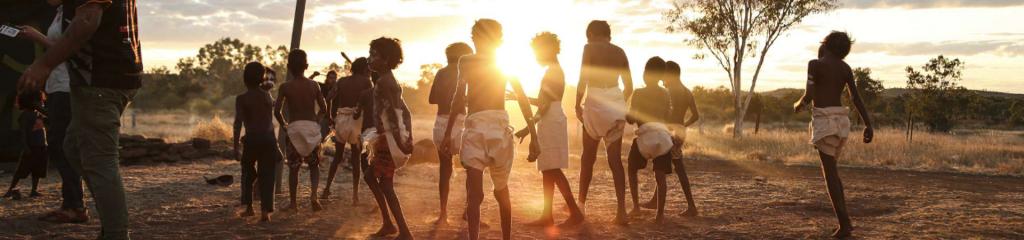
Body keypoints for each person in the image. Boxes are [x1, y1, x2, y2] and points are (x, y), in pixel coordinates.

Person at [17, 0, 143, 238]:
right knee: (73, 147)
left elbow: (87, 20)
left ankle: (115, 234)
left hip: (100, 80)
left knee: (99, 160)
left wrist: (44, 64)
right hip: (105, 78)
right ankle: (110, 222)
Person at [439, 19, 540, 240]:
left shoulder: (469, 61)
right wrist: (534, 135)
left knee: (479, 194)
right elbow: (522, 99)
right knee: (493, 192)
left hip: (482, 128)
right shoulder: (498, 62)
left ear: (476, 39)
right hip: (490, 128)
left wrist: (448, 134)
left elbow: (457, 100)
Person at [793, 31, 874, 238]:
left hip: (825, 121)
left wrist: (798, 104)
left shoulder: (815, 64)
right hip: (842, 123)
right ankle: (845, 221)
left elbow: (809, 95)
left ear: (825, 44)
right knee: (833, 172)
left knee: (829, 175)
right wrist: (868, 125)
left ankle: (845, 224)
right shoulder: (845, 68)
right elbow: (855, 98)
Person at [14, 0, 88, 223]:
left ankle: (75, 206)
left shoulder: (75, 11)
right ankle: (72, 203)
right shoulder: (60, 12)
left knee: (61, 145)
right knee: (60, 145)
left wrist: (37, 37)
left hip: (68, 86)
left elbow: (71, 49)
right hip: (57, 84)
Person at [518, 32, 585, 228]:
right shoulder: (554, 70)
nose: (535, 56)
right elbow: (544, 102)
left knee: (552, 169)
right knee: (548, 169)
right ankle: (547, 216)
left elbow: (545, 104)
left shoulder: (553, 72)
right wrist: (520, 100)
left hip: (551, 119)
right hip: (551, 118)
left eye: (537, 52)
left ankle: (574, 212)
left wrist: (528, 127)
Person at [574, 20, 633, 225]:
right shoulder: (620, 51)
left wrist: (577, 104)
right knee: (615, 160)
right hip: (615, 102)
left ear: (591, 33)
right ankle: (621, 212)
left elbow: (583, 79)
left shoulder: (589, 48)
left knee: (587, 157)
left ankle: (580, 206)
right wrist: (617, 104)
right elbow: (629, 86)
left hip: (595, 100)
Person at [362, 37, 415, 240]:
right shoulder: (386, 80)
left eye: (373, 55)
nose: (369, 59)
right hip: (387, 137)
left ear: (385, 59)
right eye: (370, 54)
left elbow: (397, 112)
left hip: (389, 139)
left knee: (384, 185)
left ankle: (403, 231)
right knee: (372, 178)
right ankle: (390, 224)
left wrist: (401, 140)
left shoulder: (386, 82)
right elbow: (405, 110)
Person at [637, 60, 700, 217]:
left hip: (669, 131)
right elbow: (696, 115)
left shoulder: (668, 91)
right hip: (680, 131)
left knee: (677, 167)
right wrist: (683, 125)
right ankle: (654, 200)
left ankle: (692, 207)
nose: (662, 79)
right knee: (663, 165)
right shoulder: (687, 91)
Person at [273, 49, 329, 212]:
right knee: (314, 166)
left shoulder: (285, 87)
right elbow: (324, 108)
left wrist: (284, 125)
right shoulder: (314, 85)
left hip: (294, 129)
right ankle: (314, 197)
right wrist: (316, 121)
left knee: (294, 168)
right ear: (307, 66)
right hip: (311, 127)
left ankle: (293, 203)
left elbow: (277, 111)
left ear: (289, 67)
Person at [624, 57, 675, 223]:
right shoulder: (665, 93)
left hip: (645, 138)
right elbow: (667, 117)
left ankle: (636, 207)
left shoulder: (639, 93)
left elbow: (631, 118)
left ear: (646, 73)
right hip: (663, 138)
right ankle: (660, 215)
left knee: (632, 169)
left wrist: (626, 114)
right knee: (660, 178)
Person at [233, 62, 283, 222]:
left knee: (247, 172)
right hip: (268, 139)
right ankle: (265, 213)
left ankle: (249, 208)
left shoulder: (241, 99)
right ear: (261, 79)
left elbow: (237, 123)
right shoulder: (267, 96)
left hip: (252, 139)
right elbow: (269, 121)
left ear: (244, 79)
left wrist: (235, 146)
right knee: (268, 175)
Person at [429, 42, 473, 225]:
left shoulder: (441, 73)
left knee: (445, 169)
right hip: (462, 122)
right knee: (472, 168)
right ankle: (468, 211)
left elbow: (431, 99)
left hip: (441, 122)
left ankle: (443, 213)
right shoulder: (467, 73)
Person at [323, 58, 372, 203]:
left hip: (341, 119)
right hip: (357, 120)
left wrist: (329, 116)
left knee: (337, 156)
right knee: (356, 159)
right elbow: (370, 102)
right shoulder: (366, 82)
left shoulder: (342, 81)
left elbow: (329, 97)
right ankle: (355, 196)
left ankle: (326, 189)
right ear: (364, 69)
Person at [5, 91, 48, 200]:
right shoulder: (26, 115)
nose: (41, 102)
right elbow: (23, 132)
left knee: (37, 170)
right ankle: (11, 189)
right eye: (39, 100)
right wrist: (25, 146)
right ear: (31, 102)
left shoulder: (39, 114)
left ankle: (34, 190)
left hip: (41, 146)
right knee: (22, 169)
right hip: (31, 146)